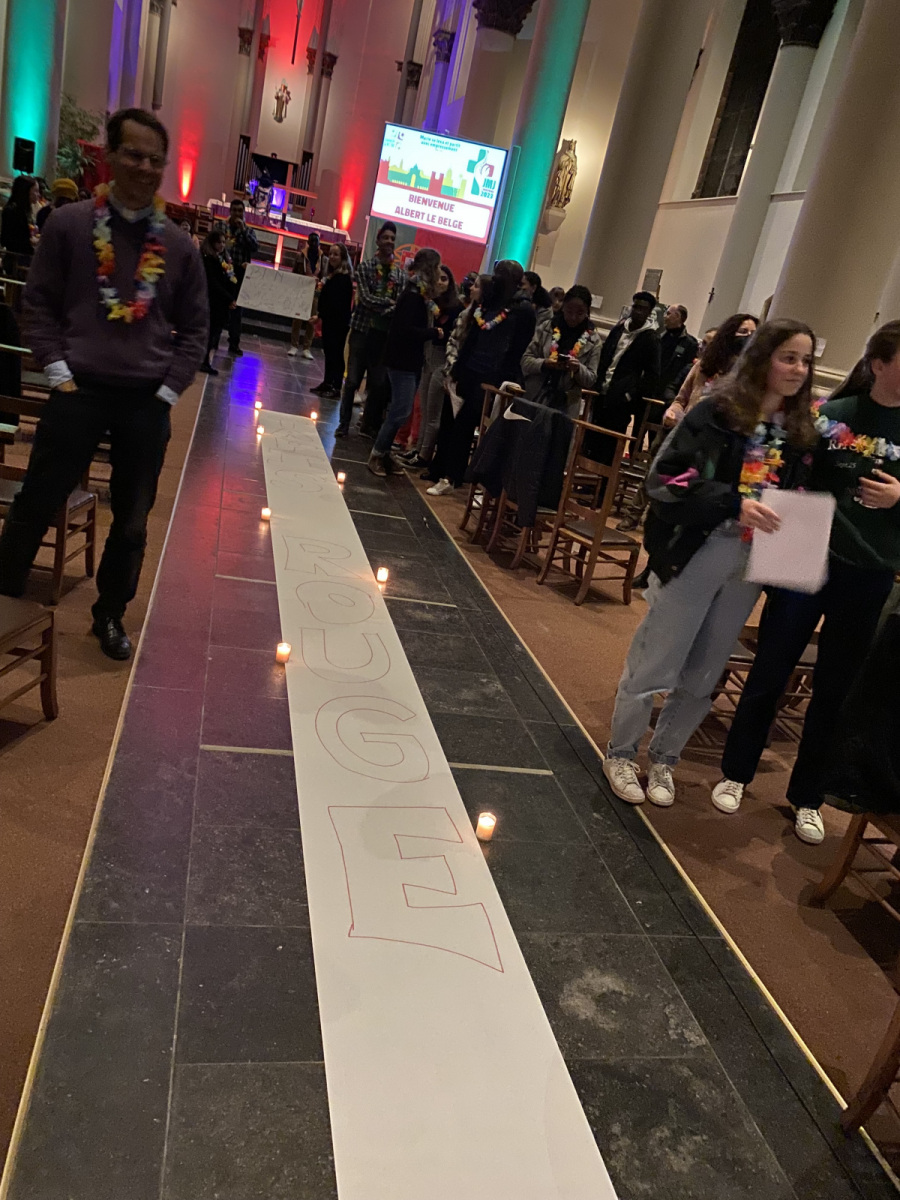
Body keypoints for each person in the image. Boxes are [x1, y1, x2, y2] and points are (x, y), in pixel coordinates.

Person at [0, 107, 208, 661]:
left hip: (146, 400)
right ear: (110, 156)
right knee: (38, 499)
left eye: (155, 160)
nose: (144, 167)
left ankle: (110, 614)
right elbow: (38, 303)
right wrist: (56, 369)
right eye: (134, 154)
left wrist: (168, 391)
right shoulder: (69, 225)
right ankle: (5, 594)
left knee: (133, 520)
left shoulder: (179, 247)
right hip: (78, 390)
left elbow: (196, 329)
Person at [602, 320, 818, 809]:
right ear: (762, 358)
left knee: (705, 673)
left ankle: (665, 758)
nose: (798, 370)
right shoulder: (716, 412)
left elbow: (802, 497)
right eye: (788, 357)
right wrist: (732, 502)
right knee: (657, 660)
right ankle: (621, 753)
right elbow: (664, 480)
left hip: (751, 560)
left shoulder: (800, 432)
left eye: (806, 361)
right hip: (698, 549)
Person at [712, 321, 900, 844]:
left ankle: (807, 796)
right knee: (771, 667)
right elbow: (786, 472)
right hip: (807, 559)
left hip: (870, 572)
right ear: (879, 364)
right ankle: (736, 772)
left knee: (835, 688)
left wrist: (898, 497)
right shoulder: (830, 416)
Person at [425, 259, 536, 496]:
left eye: (501, 274)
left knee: (468, 426)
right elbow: (473, 337)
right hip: (470, 370)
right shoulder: (489, 302)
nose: (496, 278)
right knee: (452, 422)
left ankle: (456, 477)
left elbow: (518, 349)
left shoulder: (523, 310)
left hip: (495, 378)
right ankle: (444, 472)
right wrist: (458, 369)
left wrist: (502, 379)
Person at [368, 248, 442, 477]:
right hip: (402, 361)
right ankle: (377, 454)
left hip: (409, 360)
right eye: (437, 267)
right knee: (400, 412)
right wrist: (432, 332)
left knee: (401, 409)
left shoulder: (418, 293)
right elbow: (406, 330)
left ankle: (385, 453)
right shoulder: (412, 295)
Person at [335, 222, 405, 438]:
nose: (389, 242)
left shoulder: (400, 275)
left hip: (383, 337)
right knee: (352, 381)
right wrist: (388, 304)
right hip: (362, 332)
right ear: (378, 240)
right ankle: (343, 423)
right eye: (386, 238)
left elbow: (399, 305)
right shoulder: (365, 267)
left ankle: (367, 424)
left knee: (377, 383)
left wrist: (386, 306)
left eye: (392, 239)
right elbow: (364, 298)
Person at [398, 265, 463, 470]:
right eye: (438, 278)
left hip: (442, 361)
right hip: (427, 358)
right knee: (424, 410)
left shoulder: (456, 308)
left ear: (451, 283)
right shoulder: (428, 302)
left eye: (444, 279)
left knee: (433, 413)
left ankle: (424, 456)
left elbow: (454, 338)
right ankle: (417, 449)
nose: (440, 282)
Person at [590, 291, 661, 458]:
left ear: (649, 312)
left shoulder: (651, 338)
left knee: (610, 446)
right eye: (635, 307)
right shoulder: (619, 329)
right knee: (592, 439)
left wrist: (630, 395)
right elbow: (605, 356)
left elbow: (652, 375)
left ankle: (605, 474)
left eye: (642, 309)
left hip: (622, 399)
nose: (638, 311)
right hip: (602, 390)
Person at [521, 285, 602, 416]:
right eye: (569, 311)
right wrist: (545, 363)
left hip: (566, 407)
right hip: (535, 397)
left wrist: (577, 369)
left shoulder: (593, 340)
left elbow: (591, 379)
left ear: (587, 312)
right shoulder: (547, 327)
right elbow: (525, 361)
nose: (573, 317)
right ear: (563, 307)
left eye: (580, 313)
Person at [664, 313, 758, 427]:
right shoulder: (703, 365)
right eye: (743, 331)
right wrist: (673, 412)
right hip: (689, 428)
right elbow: (680, 400)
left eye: (753, 334)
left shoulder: (750, 375)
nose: (748, 337)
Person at [309, 242, 353, 398]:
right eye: (331, 254)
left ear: (343, 258)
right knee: (329, 353)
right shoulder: (333, 275)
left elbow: (336, 303)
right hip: (330, 321)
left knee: (336, 354)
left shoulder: (343, 278)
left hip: (337, 323)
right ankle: (327, 382)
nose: (332, 257)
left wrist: (320, 315)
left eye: (336, 254)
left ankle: (335, 386)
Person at [199, 229, 238, 375]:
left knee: (214, 333)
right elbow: (213, 282)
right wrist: (228, 297)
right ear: (212, 243)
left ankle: (205, 360)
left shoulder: (221, 259)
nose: (222, 245)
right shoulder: (209, 259)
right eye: (219, 242)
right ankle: (203, 361)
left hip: (219, 302)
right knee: (210, 332)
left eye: (223, 242)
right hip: (212, 301)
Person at [223, 198, 258, 356]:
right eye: (234, 210)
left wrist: (243, 230)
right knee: (221, 306)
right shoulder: (222, 227)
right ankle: (213, 340)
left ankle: (234, 343)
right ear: (230, 211)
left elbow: (254, 247)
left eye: (240, 211)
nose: (237, 213)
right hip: (224, 270)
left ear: (244, 213)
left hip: (240, 272)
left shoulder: (248, 230)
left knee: (237, 310)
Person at [288, 232, 321, 358]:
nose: (314, 243)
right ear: (308, 242)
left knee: (312, 320)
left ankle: (307, 347)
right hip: (301, 291)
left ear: (319, 243)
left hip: (315, 292)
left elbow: (324, 275)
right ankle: (294, 345)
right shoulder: (300, 256)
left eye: (316, 241)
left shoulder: (323, 259)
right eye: (311, 241)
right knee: (297, 318)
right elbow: (294, 273)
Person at [659, 305, 698, 397]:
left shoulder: (690, 344)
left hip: (670, 392)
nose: (665, 317)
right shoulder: (660, 337)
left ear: (677, 316)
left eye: (668, 314)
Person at [1, 175, 39, 267]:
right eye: (36, 191)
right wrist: (31, 241)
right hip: (17, 260)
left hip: (23, 258)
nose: (38, 194)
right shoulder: (13, 211)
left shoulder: (25, 211)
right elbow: (8, 239)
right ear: (26, 191)